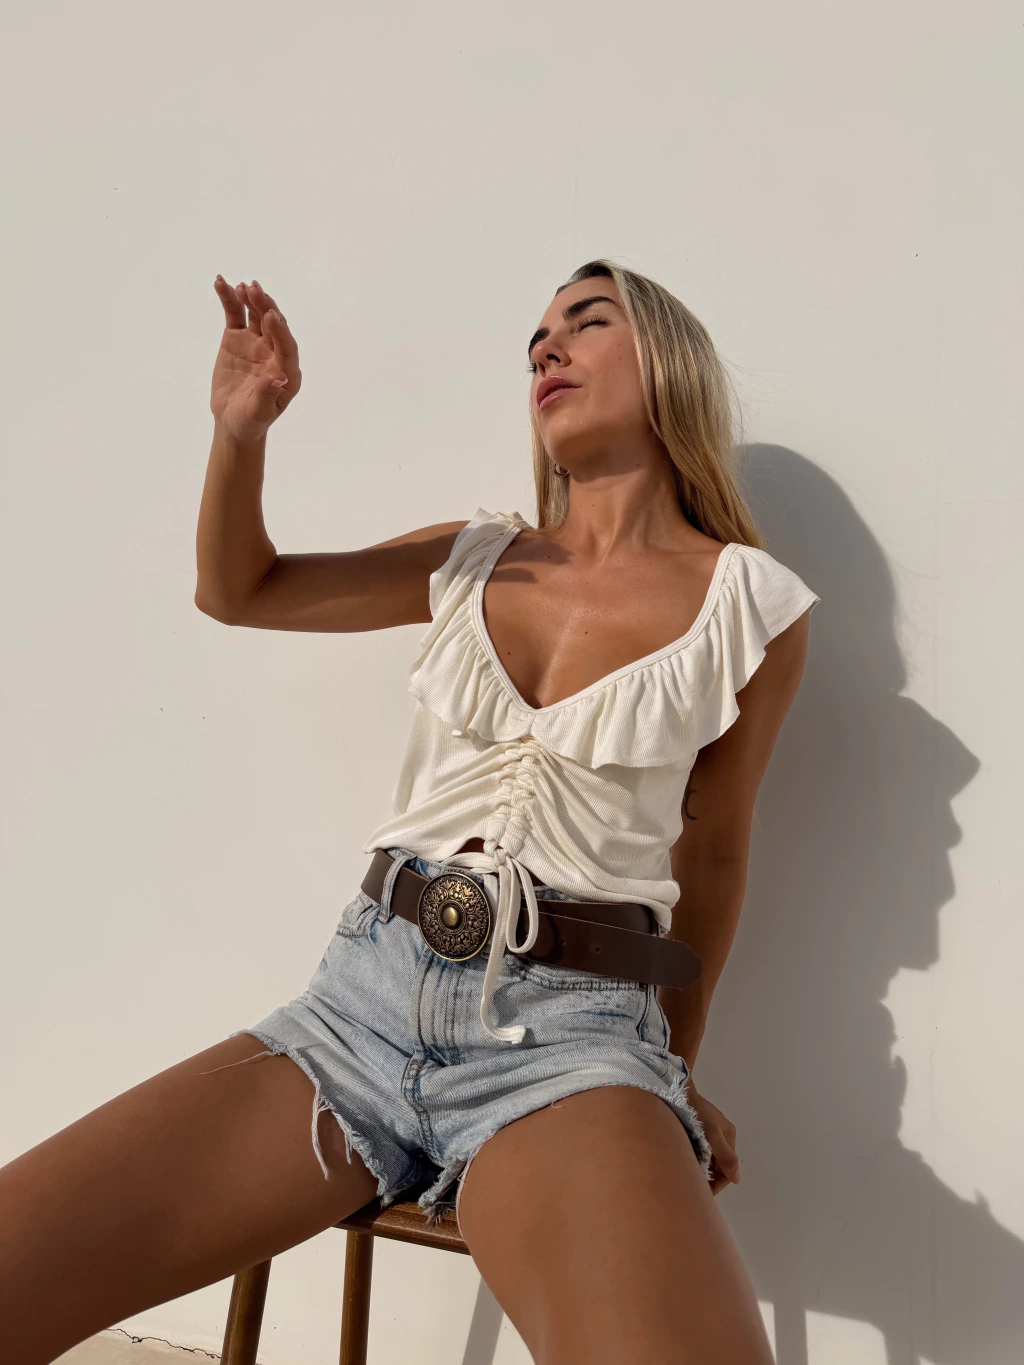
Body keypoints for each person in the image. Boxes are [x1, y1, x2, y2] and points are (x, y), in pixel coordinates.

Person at [0, 259, 819, 1364]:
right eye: (535, 340)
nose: (547, 348)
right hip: (356, 1011)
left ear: (670, 363)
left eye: (585, 322)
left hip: (569, 1047)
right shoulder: (474, 556)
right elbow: (240, 590)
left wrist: (673, 1070)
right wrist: (241, 436)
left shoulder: (752, 606)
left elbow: (712, 858)